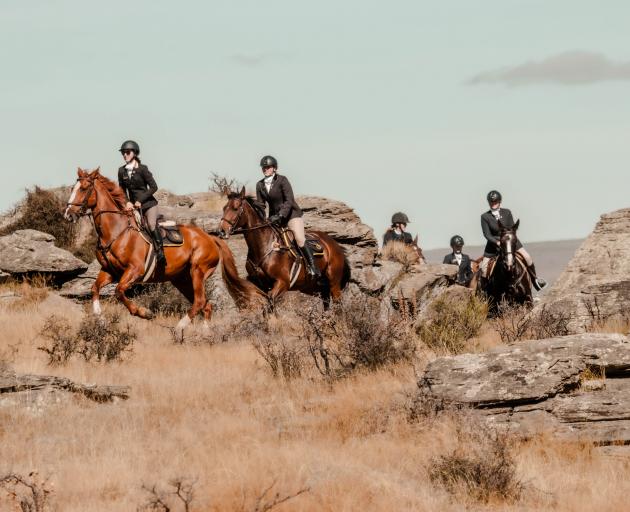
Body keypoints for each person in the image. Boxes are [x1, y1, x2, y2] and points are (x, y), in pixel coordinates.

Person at [255, 155, 321, 279]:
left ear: (274, 168)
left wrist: (280, 215)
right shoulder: (260, 185)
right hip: (274, 219)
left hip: (291, 215)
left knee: (300, 239)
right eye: (263, 167)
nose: (265, 169)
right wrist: (260, 218)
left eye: (268, 167)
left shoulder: (282, 180)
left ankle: (313, 268)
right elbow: (260, 205)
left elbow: (289, 200)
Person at [480, 190, 546, 291]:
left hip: (510, 242)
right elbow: (487, 234)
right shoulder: (485, 217)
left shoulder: (507, 212)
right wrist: (497, 242)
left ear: (500, 201)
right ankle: (485, 291)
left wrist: (508, 240)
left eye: (495, 202)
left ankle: (535, 281)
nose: (493, 204)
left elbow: (512, 229)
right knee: (483, 269)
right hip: (494, 245)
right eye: (491, 202)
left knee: (527, 257)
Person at [117, 140, 165, 264]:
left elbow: (154, 187)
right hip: (132, 207)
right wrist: (127, 202)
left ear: (135, 153)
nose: (125, 155)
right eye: (123, 153)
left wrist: (140, 200)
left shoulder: (143, 169)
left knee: (151, 225)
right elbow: (122, 190)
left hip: (148, 205)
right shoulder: (121, 171)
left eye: (127, 152)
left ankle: (160, 252)